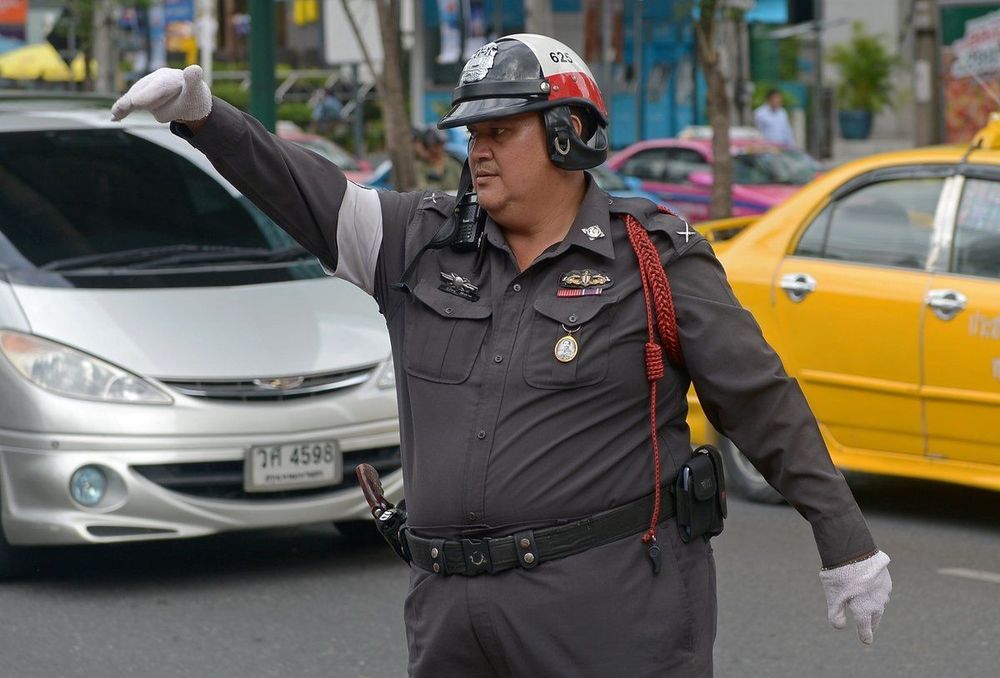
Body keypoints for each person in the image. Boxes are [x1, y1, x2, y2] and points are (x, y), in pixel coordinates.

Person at [111, 35, 891, 677]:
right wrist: (206, 119)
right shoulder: (418, 240)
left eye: (499, 133)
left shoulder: (653, 258)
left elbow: (761, 401)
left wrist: (845, 540)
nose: (478, 152)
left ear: (565, 134)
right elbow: (303, 189)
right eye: (472, 135)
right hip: (452, 623)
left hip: (608, 621)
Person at [412, 126, 463, 192]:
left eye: (441, 145)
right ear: (427, 148)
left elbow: (464, 182)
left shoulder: (452, 163)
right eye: (435, 146)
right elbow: (422, 188)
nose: (439, 150)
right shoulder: (420, 166)